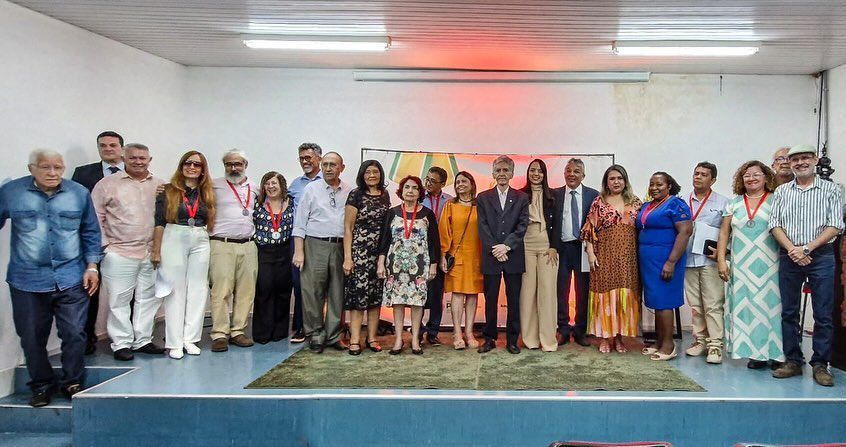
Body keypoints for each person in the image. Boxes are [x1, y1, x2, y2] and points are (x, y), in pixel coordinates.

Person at [0, 149, 101, 407]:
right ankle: (42, 385)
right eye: (46, 167)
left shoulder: (78, 193)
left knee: (75, 333)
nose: (53, 173)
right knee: (32, 336)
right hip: (27, 279)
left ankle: (72, 381)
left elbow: (90, 232)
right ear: (31, 168)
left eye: (58, 167)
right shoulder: (11, 192)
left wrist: (92, 266)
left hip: (72, 276)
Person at [769, 144, 844, 387]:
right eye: (795, 159)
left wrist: (807, 248)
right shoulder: (781, 192)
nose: (800, 162)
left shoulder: (832, 190)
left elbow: (835, 226)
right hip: (789, 255)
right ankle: (793, 360)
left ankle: (820, 365)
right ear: (789, 164)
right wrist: (793, 249)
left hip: (820, 256)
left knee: (823, 314)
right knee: (789, 312)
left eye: (805, 158)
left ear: (815, 160)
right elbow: (775, 225)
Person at [91, 143, 165, 361]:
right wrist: (105, 247)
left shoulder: (160, 185)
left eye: (143, 158)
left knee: (148, 298)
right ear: (124, 158)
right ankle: (121, 343)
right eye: (133, 158)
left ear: (150, 160)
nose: (138, 161)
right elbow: (95, 217)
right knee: (118, 300)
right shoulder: (107, 184)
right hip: (119, 251)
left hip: (151, 252)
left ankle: (142, 340)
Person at [716, 160, 785, 369]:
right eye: (747, 175)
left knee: (772, 308)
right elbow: (724, 233)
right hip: (742, 265)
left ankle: (776, 353)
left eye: (756, 174)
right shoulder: (734, 203)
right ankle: (756, 354)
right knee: (747, 308)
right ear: (741, 179)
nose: (751, 178)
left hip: (771, 263)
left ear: (766, 177)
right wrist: (721, 260)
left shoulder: (777, 200)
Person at [151, 151, 215, 360]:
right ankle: (175, 342)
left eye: (197, 164)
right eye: (188, 163)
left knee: (198, 289)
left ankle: (190, 339)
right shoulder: (168, 190)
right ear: (181, 166)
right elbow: (159, 221)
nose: (192, 167)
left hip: (199, 236)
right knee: (175, 290)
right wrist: (156, 250)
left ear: (203, 169)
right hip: (174, 234)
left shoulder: (207, 192)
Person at [71, 130, 125, 355]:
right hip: (92, 241)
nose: (108, 149)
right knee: (90, 291)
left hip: (123, 242)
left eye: (113, 145)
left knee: (124, 293)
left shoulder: (135, 172)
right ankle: (87, 338)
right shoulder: (83, 174)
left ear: (122, 148)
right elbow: (74, 204)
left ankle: (125, 339)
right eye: (103, 146)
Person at [292, 152, 351, 354]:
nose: (327, 168)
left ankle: (334, 335)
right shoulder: (311, 189)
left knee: (337, 292)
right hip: (314, 244)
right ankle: (315, 334)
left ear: (341, 167)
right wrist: (299, 251)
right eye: (325, 164)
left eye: (332, 165)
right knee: (312, 291)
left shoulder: (349, 191)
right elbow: (299, 223)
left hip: (340, 246)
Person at [581, 165, 642, 354]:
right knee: (605, 296)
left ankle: (619, 337)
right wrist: (591, 254)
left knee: (623, 297)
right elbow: (589, 230)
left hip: (628, 258)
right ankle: (605, 337)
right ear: (606, 182)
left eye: (619, 178)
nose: (616, 182)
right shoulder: (599, 202)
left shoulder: (636, 202)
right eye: (612, 178)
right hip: (604, 256)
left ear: (625, 180)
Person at [377, 176, 440, 355]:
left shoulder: (427, 214)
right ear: (401, 191)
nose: (410, 191)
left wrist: (434, 264)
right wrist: (381, 262)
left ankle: (415, 340)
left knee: (417, 302)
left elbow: (434, 242)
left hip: (419, 264)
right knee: (397, 302)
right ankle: (398, 339)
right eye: (407, 188)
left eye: (414, 188)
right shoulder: (392, 212)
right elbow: (384, 240)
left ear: (420, 192)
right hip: (395, 264)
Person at [636, 172, 693, 361]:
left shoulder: (676, 204)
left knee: (664, 302)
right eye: (651, 184)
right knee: (655, 301)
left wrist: (671, 262)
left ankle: (669, 346)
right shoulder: (648, 205)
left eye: (659, 184)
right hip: (648, 261)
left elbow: (685, 232)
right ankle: (659, 342)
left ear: (669, 185)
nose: (654, 188)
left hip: (666, 259)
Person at [476, 155, 529, 354]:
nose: (502, 174)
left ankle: (512, 340)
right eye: (498, 170)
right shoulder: (482, 197)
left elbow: (522, 225)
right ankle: (489, 339)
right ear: (493, 173)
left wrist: (506, 247)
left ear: (512, 173)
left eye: (506, 170)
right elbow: (482, 227)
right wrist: (496, 249)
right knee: (490, 300)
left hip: (513, 256)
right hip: (491, 256)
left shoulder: (522, 198)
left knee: (514, 299)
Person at [208, 149, 259, 352]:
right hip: (221, 243)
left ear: (245, 164)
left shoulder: (254, 187)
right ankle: (220, 334)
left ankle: (238, 331)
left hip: (248, 244)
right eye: (229, 164)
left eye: (238, 164)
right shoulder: (213, 185)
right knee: (221, 290)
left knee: (246, 291)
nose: (234, 168)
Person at [683, 162, 729, 364]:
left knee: (713, 304)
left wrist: (723, 252)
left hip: (710, 261)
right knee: (696, 305)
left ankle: (715, 346)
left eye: (703, 174)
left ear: (713, 180)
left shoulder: (724, 203)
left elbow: (730, 233)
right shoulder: (683, 201)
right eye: (696, 173)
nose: (698, 177)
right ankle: (700, 341)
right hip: (688, 260)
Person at [343, 160, 391, 355]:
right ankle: (354, 339)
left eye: (376, 171)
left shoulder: (385, 195)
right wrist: (348, 257)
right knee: (358, 298)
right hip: (359, 253)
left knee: (375, 298)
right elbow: (348, 227)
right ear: (362, 175)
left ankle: (371, 338)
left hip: (379, 254)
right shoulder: (356, 195)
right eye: (368, 172)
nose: (372, 175)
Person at [552, 158, 599, 347]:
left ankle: (580, 330)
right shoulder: (554, 195)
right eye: (568, 170)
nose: (572, 174)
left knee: (583, 291)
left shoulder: (593, 195)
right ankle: (562, 329)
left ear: (583, 175)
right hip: (562, 248)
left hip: (583, 249)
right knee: (560, 290)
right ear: (564, 173)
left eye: (576, 171)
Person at [439, 171, 484, 350]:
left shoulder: (480, 205)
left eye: (464, 181)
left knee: (472, 294)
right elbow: (444, 231)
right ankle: (457, 333)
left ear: (472, 184)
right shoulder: (450, 205)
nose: (460, 185)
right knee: (457, 294)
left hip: (476, 256)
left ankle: (469, 332)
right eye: (457, 182)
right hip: (456, 256)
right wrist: (443, 254)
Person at [518, 159, 558, 352]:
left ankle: (548, 341)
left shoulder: (554, 197)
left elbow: (558, 223)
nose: (536, 174)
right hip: (525, 245)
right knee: (527, 293)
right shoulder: (519, 196)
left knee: (548, 293)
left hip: (547, 246)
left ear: (544, 175)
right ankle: (529, 340)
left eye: (540, 171)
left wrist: (554, 247)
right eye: (532, 170)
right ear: (528, 173)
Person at [252, 171, 295, 344]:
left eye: (274, 183)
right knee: (264, 291)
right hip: (264, 251)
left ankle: (280, 331)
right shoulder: (258, 204)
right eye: (267, 183)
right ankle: (263, 332)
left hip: (285, 251)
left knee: (283, 292)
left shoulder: (291, 204)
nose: (271, 187)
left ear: (281, 185)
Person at [287, 143, 323, 343]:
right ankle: (301, 326)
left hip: (320, 239)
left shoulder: (328, 182)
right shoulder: (295, 185)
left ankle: (319, 326)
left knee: (320, 285)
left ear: (319, 158)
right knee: (299, 284)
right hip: (299, 240)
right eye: (301, 158)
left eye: (308, 157)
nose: (305, 161)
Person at [420, 166, 453, 346]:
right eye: (427, 179)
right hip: (419, 251)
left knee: (436, 294)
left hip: (440, 251)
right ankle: (418, 329)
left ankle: (433, 331)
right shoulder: (418, 198)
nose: (428, 183)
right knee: (417, 292)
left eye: (433, 181)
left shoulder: (449, 201)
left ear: (443, 183)